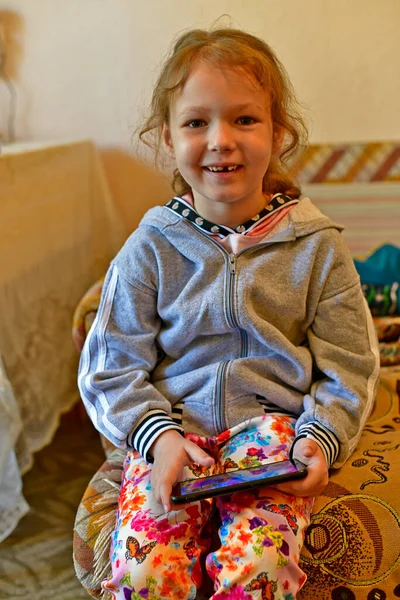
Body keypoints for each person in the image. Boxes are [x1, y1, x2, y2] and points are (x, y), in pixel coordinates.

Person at [78, 26, 379, 600]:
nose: (220, 140)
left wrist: (322, 437)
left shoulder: (318, 246)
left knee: (259, 570)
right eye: (197, 122)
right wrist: (158, 437)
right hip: (173, 441)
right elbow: (107, 367)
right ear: (167, 138)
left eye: (244, 119)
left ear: (279, 132)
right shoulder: (150, 247)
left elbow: (351, 365)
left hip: (272, 443)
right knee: (146, 576)